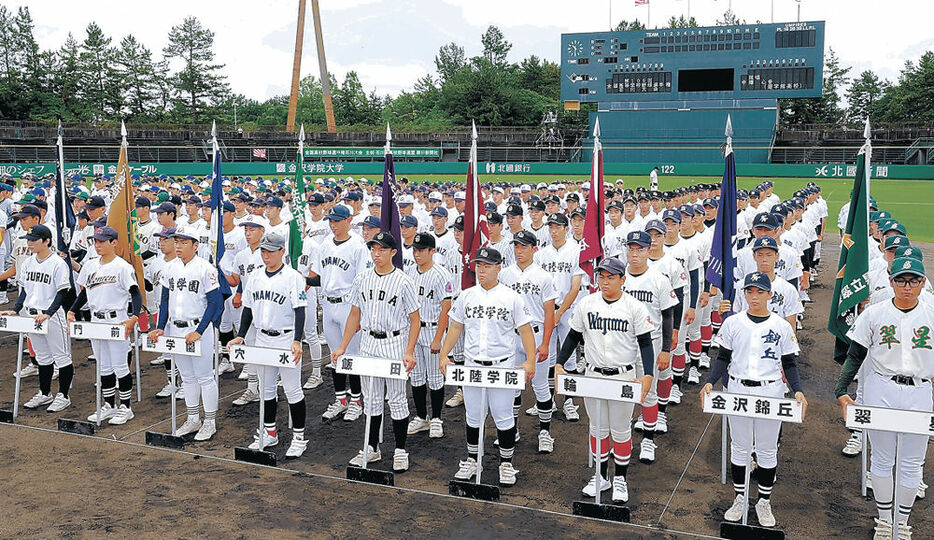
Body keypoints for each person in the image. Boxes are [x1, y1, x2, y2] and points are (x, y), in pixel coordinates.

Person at [835, 258, 933, 540]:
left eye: (913, 280)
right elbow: (855, 355)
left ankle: (902, 523)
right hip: (882, 388)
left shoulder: (931, 314)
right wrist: (842, 391)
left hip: (920, 391)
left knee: (912, 463)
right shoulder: (874, 313)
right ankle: (884, 520)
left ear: (923, 283)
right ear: (891, 282)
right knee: (881, 459)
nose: (907, 286)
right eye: (901, 280)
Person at [701, 272, 807, 528]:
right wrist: (710, 381)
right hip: (737, 388)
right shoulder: (733, 323)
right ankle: (739, 499)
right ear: (744, 294)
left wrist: (798, 390)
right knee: (739, 447)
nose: (754, 296)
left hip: (770, 391)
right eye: (750, 291)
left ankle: (763, 502)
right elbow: (723, 358)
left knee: (767, 450)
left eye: (760, 291)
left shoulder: (781, 325)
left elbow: (789, 362)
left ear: (770, 294)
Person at [554, 257, 656, 503]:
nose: (605, 281)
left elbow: (645, 343)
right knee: (597, 429)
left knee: (620, 431)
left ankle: (620, 478)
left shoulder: (634, 307)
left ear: (623, 279)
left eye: (611, 277)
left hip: (623, 375)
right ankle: (601, 476)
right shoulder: (587, 304)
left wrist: (648, 375)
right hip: (593, 374)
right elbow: (573, 336)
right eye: (602, 276)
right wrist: (559, 362)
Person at [439, 247, 537, 486]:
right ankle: (473, 460)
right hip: (473, 364)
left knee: (503, 417)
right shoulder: (467, 295)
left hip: (501, 365)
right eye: (478, 265)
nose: (481, 270)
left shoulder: (511, 296)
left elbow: (525, 330)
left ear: (498, 267)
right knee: (473, 416)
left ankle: (506, 464)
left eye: (486, 265)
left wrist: (530, 360)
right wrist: (444, 354)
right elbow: (455, 327)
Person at [329, 231, 420, 472]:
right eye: (373, 249)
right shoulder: (362, 278)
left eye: (381, 249)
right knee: (371, 399)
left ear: (393, 252)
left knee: (398, 399)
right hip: (369, 342)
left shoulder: (403, 281)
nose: (376, 253)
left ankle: (400, 450)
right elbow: (354, 315)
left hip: (394, 343)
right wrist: (342, 346)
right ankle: (371, 448)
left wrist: (409, 351)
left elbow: (415, 319)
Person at [228, 232, 309, 459]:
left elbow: (299, 309)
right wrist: (241, 335)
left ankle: (299, 438)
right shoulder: (254, 277)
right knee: (266, 390)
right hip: (263, 338)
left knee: (293, 390)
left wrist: (297, 340)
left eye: (270, 251)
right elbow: (248, 308)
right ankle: (269, 432)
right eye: (263, 251)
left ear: (281, 252)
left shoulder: (292, 277)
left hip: (285, 338)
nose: (266, 256)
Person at [147, 225, 223, 441]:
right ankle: (193, 418)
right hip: (176, 327)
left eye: (183, 242)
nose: (178, 246)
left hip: (198, 327)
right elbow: (164, 300)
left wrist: (199, 331)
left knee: (205, 377)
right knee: (188, 378)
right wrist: (160, 326)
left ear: (195, 245)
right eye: (177, 242)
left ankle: (210, 422)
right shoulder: (171, 268)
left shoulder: (205, 268)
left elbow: (214, 302)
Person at [67, 226, 143, 425]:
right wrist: (73, 310)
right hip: (96, 319)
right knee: (104, 366)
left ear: (114, 243)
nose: (98, 245)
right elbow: (84, 292)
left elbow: (135, 292)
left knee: (119, 366)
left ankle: (126, 407)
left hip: (116, 318)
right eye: (96, 241)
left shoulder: (122, 266)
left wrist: (134, 316)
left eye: (102, 241)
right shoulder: (91, 265)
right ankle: (109, 405)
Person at [308, 204, 369, 421]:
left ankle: (356, 401)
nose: (333, 225)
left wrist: (359, 312)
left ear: (348, 220)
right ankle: (340, 399)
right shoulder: (325, 244)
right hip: (329, 304)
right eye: (331, 221)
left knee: (351, 355)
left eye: (337, 221)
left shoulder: (358, 246)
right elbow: (319, 276)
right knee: (335, 355)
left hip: (349, 305)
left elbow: (363, 281)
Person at [499, 230, 557, 453]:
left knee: (540, 386)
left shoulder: (543, 277)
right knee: (512, 386)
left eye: (524, 246)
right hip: (511, 335)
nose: (519, 250)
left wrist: (545, 344)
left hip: (536, 333)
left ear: (535, 249)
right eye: (516, 246)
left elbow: (550, 314)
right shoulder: (504, 275)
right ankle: (512, 430)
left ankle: (545, 432)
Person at [4, 225, 73, 413]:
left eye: (34, 239)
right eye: (29, 239)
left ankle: (63, 396)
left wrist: (49, 313)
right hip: (32, 314)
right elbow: (25, 290)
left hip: (51, 314)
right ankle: (45, 393)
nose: (30, 243)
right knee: (43, 357)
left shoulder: (57, 263)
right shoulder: (28, 263)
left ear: (46, 241)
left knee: (62, 357)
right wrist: (16, 309)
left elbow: (62, 292)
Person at [623, 230, 676, 464]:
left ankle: (648, 440)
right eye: (631, 249)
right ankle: (623, 440)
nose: (635, 254)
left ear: (648, 250)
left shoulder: (659, 279)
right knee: (623, 392)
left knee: (649, 392)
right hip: (622, 342)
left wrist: (665, 349)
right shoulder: (617, 276)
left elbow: (667, 316)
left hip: (650, 342)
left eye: (640, 249)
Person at [407, 232, 453, 439]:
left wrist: (438, 337)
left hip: (433, 329)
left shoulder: (441, 274)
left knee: (435, 378)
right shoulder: (409, 272)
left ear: (432, 251)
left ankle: (436, 418)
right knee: (416, 377)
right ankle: (421, 417)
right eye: (415, 250)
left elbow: (446, 308)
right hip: (413, 331)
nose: (417, 254)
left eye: (421, 250)